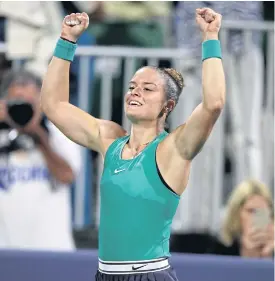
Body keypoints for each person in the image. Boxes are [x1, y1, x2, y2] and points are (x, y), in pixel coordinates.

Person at [41, 7, 225, 280]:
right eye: (132, 86)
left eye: (148, 89)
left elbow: (213, 104)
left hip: (150, 275)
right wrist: (66, 40)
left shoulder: (173, 149)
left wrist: (210, 37)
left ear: (168, 106)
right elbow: (53, 105)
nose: (135, 92)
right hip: (105, 275)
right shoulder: (109, 140)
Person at [0, 69, 81, 250]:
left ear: (42, 103)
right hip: (5, 253)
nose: (22, 111)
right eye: (16, 104)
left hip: (51, 252)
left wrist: (38, 135)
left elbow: (66, 176)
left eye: (28, 104)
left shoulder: (60, 134)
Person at [210, 179, 274, 258]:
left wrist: (269, 257)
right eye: (251, 211)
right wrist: (247, 254)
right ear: (236, 214)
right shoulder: (218, 251)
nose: (257, 218)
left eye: (262, 212)